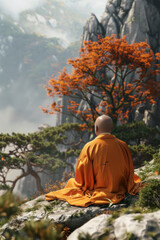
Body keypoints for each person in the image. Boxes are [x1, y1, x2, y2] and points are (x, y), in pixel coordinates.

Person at [45, 115, 141, 207]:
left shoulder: (89, 147)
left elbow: (83, 178)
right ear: (111, 128)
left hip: (98, 189)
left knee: (71, 182)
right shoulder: (123, 145)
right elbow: (129, 170)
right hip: (121, 187)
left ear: (96, 129)